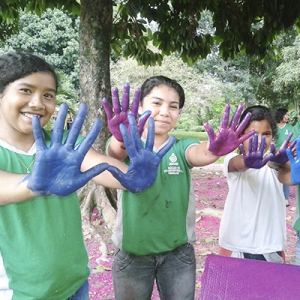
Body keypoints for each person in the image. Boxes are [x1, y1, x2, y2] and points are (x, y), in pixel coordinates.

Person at [0, 52, 175, 299]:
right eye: (26, 90)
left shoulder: (65, 147)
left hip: (75, 284)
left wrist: (136, 175)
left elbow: (109, 170)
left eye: (48, 95)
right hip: (18, 293)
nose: (38, 103)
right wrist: (32, 185)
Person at [102, 76, 255, 300]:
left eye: (173, 106)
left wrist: (214, 150)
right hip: (132, 255)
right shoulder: (128, 147)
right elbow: (115, 152)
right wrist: (121, 137)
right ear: (140, 106)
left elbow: (199, 152)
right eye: (156, 103)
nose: (165, 111)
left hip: (178, 255)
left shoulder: (180, 146)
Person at [219, 105, 293, 263]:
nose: (260, 140)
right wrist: (247, 161)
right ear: (240, 136)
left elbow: (285, 173)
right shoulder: (233, 161)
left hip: (270, 247)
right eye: (253, 134)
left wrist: (280, 163)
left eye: (266, 134)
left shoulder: (273, 164)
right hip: (237, 247)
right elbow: (237, 164)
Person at [274, 108, 296, 206]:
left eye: (288, 115)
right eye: (286, 115)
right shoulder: (273, 127)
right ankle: (274, 197)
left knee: (286, 172)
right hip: (275, 155)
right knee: (274, 176)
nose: (288, 117)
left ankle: (285, 198)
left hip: (286, 154)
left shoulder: (290, 127)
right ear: (281, 115)